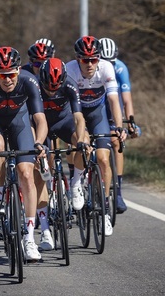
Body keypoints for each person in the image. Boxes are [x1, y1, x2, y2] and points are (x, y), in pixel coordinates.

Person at [0, 46, 48, 262]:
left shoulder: (28, 81)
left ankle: (30, 238)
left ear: (18, 70)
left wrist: (39, 143)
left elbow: (40, 119)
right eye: (2, 75)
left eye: (11, 74)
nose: (8, 79)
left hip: (20, 123)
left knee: (26, 173)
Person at [66, 36, 128, 237]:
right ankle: (76, 181)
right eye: (85, 60)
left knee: (103, 158)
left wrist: (118, 127)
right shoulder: (70, 70)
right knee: (80, 144)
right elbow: (70, 107)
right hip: (77, 113)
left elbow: (113, 100)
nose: (90, 64)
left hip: (98, 113)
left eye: (94, 59)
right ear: (77, 59)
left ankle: (105, 208)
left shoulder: (106, 68)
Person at [39, 58, 91, 214]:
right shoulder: (34, 85)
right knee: (44, 158)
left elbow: (78, 117)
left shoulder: (70, 84)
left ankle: (75, 183)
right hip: (43, 125)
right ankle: (50, 187)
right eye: (48, 88)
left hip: (64, 122)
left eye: (56, 88)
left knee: (86, 147)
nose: (52, 92)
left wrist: (81, 141)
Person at [100, 37, 141, 213]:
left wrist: (130, 121)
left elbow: (126, 99)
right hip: (95, 104)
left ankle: (117, 192)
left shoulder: (120, 68)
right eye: (104, 61)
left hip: (112, 103)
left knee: (117, 141)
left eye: (111, 61)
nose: (108, 64)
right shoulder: (93, 68)